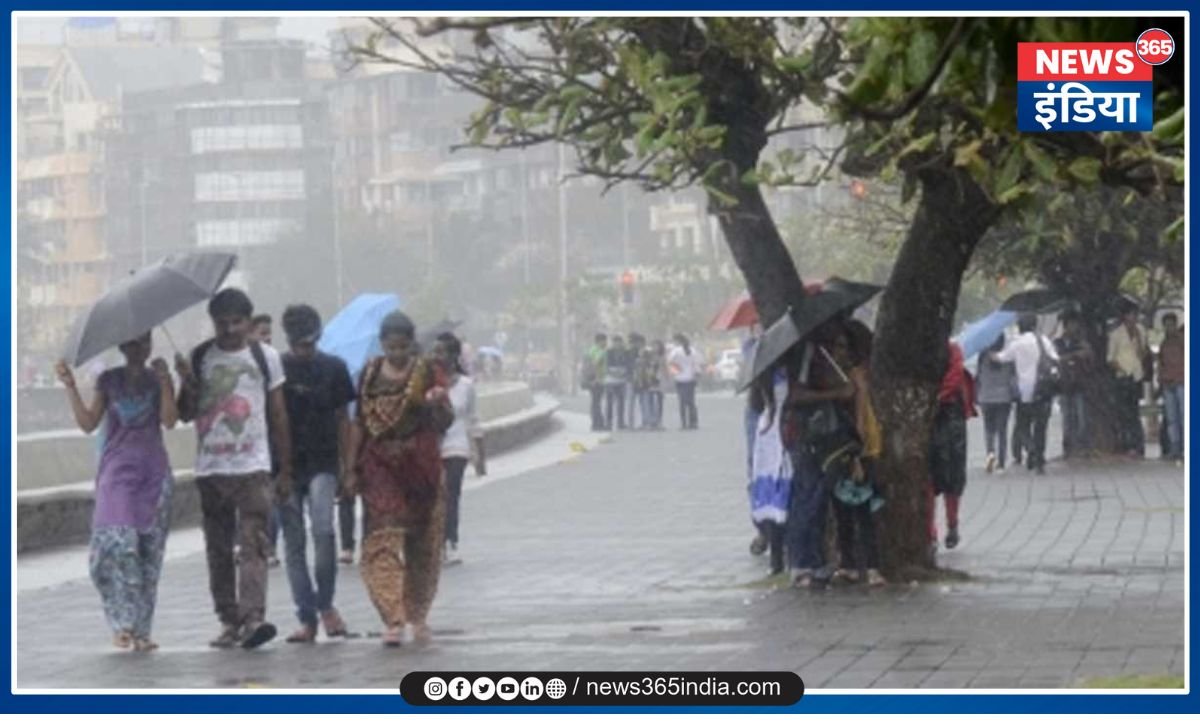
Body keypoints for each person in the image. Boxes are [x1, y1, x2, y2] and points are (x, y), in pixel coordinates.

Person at [175, 288, 291, 649]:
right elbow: (184, 412)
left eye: (236, 322)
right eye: (222, 323)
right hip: (212, 468)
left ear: (248, 321)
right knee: (218, 548)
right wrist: (187, 381)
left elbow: (277, 413)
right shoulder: (200, 358)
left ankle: (253, 616)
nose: (229, 330)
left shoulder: (265, 356)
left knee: (254, 542)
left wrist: (285, 468)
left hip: (253, 465)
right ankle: (229, 618)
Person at [56, 333, 178, 652]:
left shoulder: (157, 379)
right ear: (123, 346)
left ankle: (141, 630)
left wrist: (167, 382)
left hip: (153, 473)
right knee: (119, 545)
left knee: (149, 554)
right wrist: (70, 386)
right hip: (117, 473)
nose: (141, 349)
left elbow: (169, 420)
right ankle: (121, 622)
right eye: (134, 343)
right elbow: (87, 423)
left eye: (145, 342)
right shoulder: (108, 381)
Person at [342, 311, 454, 647]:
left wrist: (436, 403)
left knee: (420, 542)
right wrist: (349, 469)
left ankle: (417, 613)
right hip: (379, 466)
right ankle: (392, 616)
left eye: (403, 347)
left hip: (420, 466)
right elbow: (359, 422)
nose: (397, 354)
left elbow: (445, 421)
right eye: (391, 347)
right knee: (381, 537)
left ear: (411, 343)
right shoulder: (369, 374)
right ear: (382, 344)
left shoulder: (426, 372)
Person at [277, 304, 354, 643]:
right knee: (293, 544)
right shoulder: (276, 369)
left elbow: (344, 421)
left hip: (323, 463)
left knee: (323, 533)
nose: (304, 350)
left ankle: (326, 604)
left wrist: (348, 468)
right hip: (285, 467)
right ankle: (306, 616)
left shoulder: (334, 368)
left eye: (309, 343)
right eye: (299, 344)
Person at [783, 326, 858, 588]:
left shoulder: (821, 357)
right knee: (808, 499)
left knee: (818, 501)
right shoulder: (807, 355)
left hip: (822, 439)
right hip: (808, 438)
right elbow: (796, 395)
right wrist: (837, 393)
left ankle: (814, 562)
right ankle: (801, 564)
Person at [833, 321, 886, 586]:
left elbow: (862, 418)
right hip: (848, 448)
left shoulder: (857, 377)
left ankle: (869, 565)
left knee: (862, 510)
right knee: (844, 509)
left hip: (859, 449)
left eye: (843, 346)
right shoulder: (845, 376)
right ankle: (849, 564)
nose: (838, 352)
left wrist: (858, 453)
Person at [433, 332, 480, 565]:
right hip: (433, 446)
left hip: (457, 446)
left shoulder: (466, 385)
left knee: (451, 494)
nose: (437, 356)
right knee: (434, 497)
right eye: (435, 352)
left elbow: (473, 418)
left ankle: (450, 541)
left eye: (441, 351)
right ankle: (434, 542)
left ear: (453, 355)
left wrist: (479, 452)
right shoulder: (426, 383)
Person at [993, 313, 1058, 474]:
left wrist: (990, 354)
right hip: (1043, 389)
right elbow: (1055, 359)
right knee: (1041, 426)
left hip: (1025, 392)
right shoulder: (1043, 340)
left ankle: (1031, 449)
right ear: (1034, 325)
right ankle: (1040, 459)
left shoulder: (1017, 343)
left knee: (1023, 425)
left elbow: (1002, 358)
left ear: (1020, 326)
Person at [929, 341, 976, 552]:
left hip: (949, 418)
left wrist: (937, 398)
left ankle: (952, 524)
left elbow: (955, 375)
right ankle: (931, 533)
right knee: (928, 479)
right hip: (930, 418)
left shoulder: (951, 349)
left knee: (952, 476)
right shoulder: (912, 349)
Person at [748, 364, 792, 576]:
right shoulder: (785, 371)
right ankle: (779, 555)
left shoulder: (764, 371)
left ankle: (777, 557)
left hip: (770, 432)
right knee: (782, 494)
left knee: (775, 497)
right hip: (778, 433)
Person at [250, 311, 281, 567]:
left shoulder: (274, 361)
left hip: (272, 441)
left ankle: (269, 544)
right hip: (250, 442)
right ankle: (254, 542)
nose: (267, 337)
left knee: (270, 498)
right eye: (262, 332)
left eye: (269, 332)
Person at [1107, 304, 1150, 458]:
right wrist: (1122, 369)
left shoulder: (1141, 330)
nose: (1134, 318)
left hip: (1136, 375)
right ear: (1125, 316)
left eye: (1135, 315)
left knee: (1135, 411)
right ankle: (1128, 444)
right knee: (1125, 412)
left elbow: (1143, 352)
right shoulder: (1116, 334)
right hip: (1123, 375)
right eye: (1131, 315)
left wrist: (1138, 339)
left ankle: (1139, 445)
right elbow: (1110, 358)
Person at [1054, 311, 1095, 459]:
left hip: (1080, 384)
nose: (1073, 328)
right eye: (1071, 325)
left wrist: (1085, 352)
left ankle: (1083, 447)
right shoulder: (1057, 343)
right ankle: (1068, 447)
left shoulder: (1081, 343)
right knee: (1067, 418)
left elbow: (1090, 358)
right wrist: (1071, 356)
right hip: (1064, 385)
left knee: (1082, 417)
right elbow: (1055, 359)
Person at [976, 335, 1016, 473]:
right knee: (1002, 431)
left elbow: (978, 376)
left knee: (989, 430)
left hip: (986, 397)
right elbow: (1013, 377)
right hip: (1004, 398)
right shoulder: (1007, 356)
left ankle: (990, 456)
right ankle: (1001, 463)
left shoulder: (983, 356)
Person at [1157, 312, 1185, 463]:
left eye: (1171, 325)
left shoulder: (1183, 341)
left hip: (1182, 382)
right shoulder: (1164, 344)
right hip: (1168, 383)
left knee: (1184, 416)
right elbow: (1161, 364)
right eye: (1166, 325)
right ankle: (1175, 448)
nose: (1169, 328)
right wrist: (1161, 380)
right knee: (1172, 419)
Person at [669, 334, 703, 430]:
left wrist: (675, 372)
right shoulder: (693, 350)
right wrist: (697, 375)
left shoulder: (675, 351)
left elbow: (670, 362)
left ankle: (684, 423)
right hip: (691, 378)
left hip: (680, 379)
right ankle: (693, 422)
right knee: (691, 401)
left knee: (682, 402)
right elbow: (697, 364)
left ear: (678, 341)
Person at [604, 335, 631, 431]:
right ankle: (608, 422)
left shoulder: (626, 352)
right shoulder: (608, 352)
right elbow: (606, 366)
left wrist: (625, 374)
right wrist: (613, 373)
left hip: (622, 380)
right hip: (610, 380)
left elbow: (629, 365)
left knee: (621, 402)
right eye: (615, 342)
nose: (617, 344)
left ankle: (620, 422)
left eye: (619, 342)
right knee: (610, 402)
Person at [581, 334, 608, 431]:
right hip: (597, 380)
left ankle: (595, 423)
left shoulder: (591, 350)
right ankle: (598, 424)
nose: (606, 343)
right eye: (605, 341)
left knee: (594, 402)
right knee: (597, 402)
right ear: (600, 341)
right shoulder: (600, 351)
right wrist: (597, 378)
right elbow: (596, 363)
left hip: (591, 380)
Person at [627, 333, 646, 430]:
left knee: (636, 401)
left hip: (638, 379)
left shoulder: (640, 352)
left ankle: (637, 423)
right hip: (635, 379)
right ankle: (636, 423)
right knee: (636, 401)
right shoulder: (632, 352)